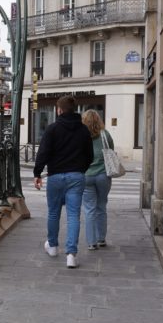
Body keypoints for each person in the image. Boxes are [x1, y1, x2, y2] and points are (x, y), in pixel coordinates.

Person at [33, 95, 93, 269]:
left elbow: (43, 152)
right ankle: (71, 255)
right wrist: (80, 168)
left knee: (53, 212)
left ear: (59, 110)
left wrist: (38, 173)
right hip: (76, 176)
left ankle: (52, 246)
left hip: (55, 177)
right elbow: (90, 155)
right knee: (73, 215)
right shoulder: (83, 130)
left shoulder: (52, 129)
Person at [81, 110, 114, 251]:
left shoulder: (81, 135)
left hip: (86, 175)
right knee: (101, 206)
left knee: (89, 209)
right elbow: (111, 151)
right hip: (103, 175)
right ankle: (101, 239)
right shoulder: (105, 134)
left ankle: (91, 242)